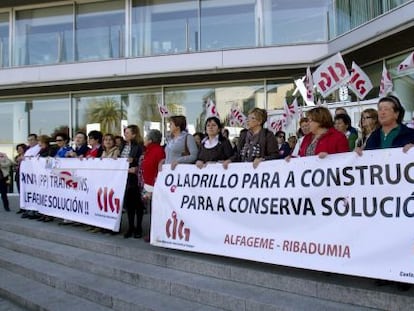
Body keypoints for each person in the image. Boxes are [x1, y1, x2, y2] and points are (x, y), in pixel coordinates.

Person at [356, 95, 414, 292]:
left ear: (397, 113)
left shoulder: (409, 134)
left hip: (402, 196)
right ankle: (384, 271)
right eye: (379, 109)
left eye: (386, 109)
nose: (381, 112)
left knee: (402, 234)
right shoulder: (374, 136)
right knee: (381, 234)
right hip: (379, 195)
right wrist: (358, 155)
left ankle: (403, 274)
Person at [120, 125, 145, 239]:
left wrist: (134, 162)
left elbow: (143, 160)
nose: (126, 134)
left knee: (137, 204)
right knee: (129, 205)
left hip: (135, 178)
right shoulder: (123, 146)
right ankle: (131, 227)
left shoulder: (139, 146)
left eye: (128, 133)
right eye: (125, 132)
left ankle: (139, 227)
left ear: (134, 134)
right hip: (125, 177)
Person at [141, 129, 166, 242]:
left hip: (154, 184)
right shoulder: (148, 150)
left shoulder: (158, 150)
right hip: (148, 183)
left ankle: (157, 233)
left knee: (156, 210)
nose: (144, 139)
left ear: (150, 140)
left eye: (146, 137)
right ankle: (152, 232)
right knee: (152, 210)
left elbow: (160, 167)